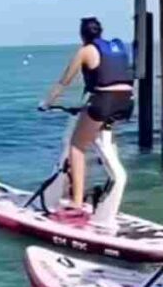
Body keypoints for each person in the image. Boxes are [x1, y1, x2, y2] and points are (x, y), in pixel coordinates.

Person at [39, 17, 134, 213]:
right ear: (100, 31)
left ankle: (76, 202)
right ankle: (101, 197)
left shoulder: (85, 51)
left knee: (77, 146)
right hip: (126, 100)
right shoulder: (117, 47)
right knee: (102, 140)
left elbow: (64, 81)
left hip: (103, 100)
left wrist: (46, 103)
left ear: (82, 34)